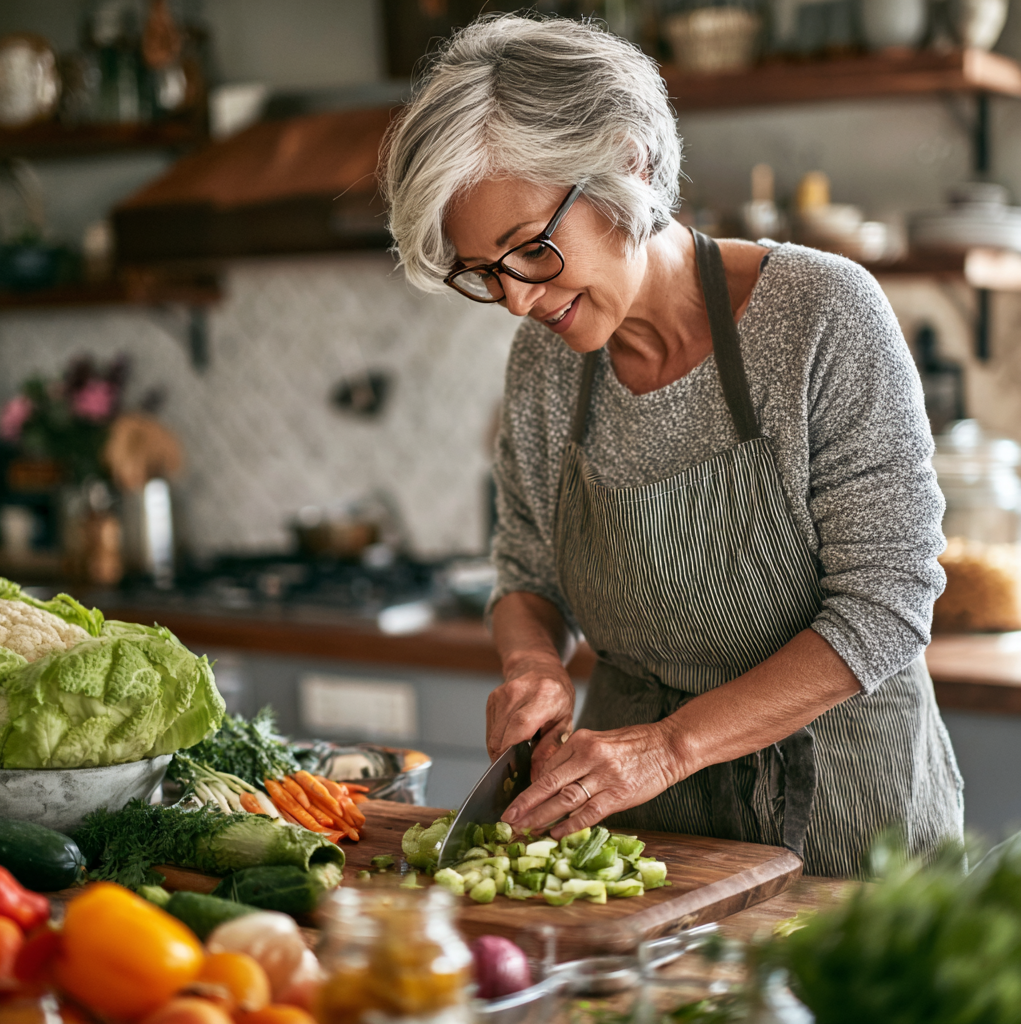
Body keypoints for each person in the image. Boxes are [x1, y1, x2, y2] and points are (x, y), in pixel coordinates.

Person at [381, 14, 963, 876]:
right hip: (645, 831)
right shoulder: (544, 361)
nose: (517, 301)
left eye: (529, 250)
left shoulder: (823, 314)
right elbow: (527, 572)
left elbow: (889, 602)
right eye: (484, 273)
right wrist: (534, 663)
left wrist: (672, 745)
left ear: (630, 164)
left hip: (847, 820)